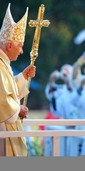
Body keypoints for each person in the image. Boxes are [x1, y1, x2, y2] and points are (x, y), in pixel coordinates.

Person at [0, 4, 36, 156]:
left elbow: (7, 90)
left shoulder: (4, 63)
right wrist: (18, 110)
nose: (22, 51)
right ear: (9, 46)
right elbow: (2, 100)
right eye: (20, 46)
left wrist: (23, 77)